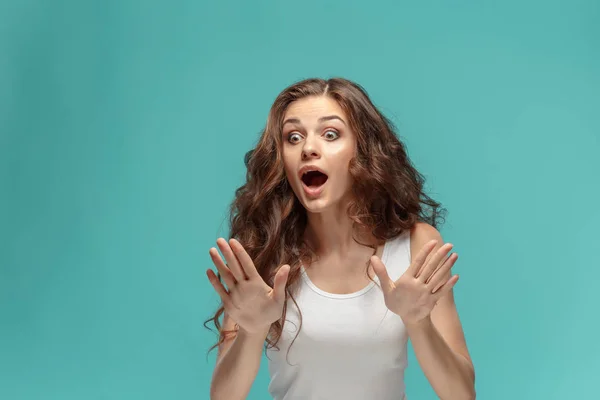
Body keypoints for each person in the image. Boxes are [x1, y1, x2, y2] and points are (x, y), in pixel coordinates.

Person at [204, 77, 476, 400]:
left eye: (330, 134)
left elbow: (462, 394)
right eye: (293, 137)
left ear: (361, 150)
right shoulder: (264, 252)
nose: (308, 148)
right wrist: (251, 331)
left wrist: (418, 323)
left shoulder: (415, 245)